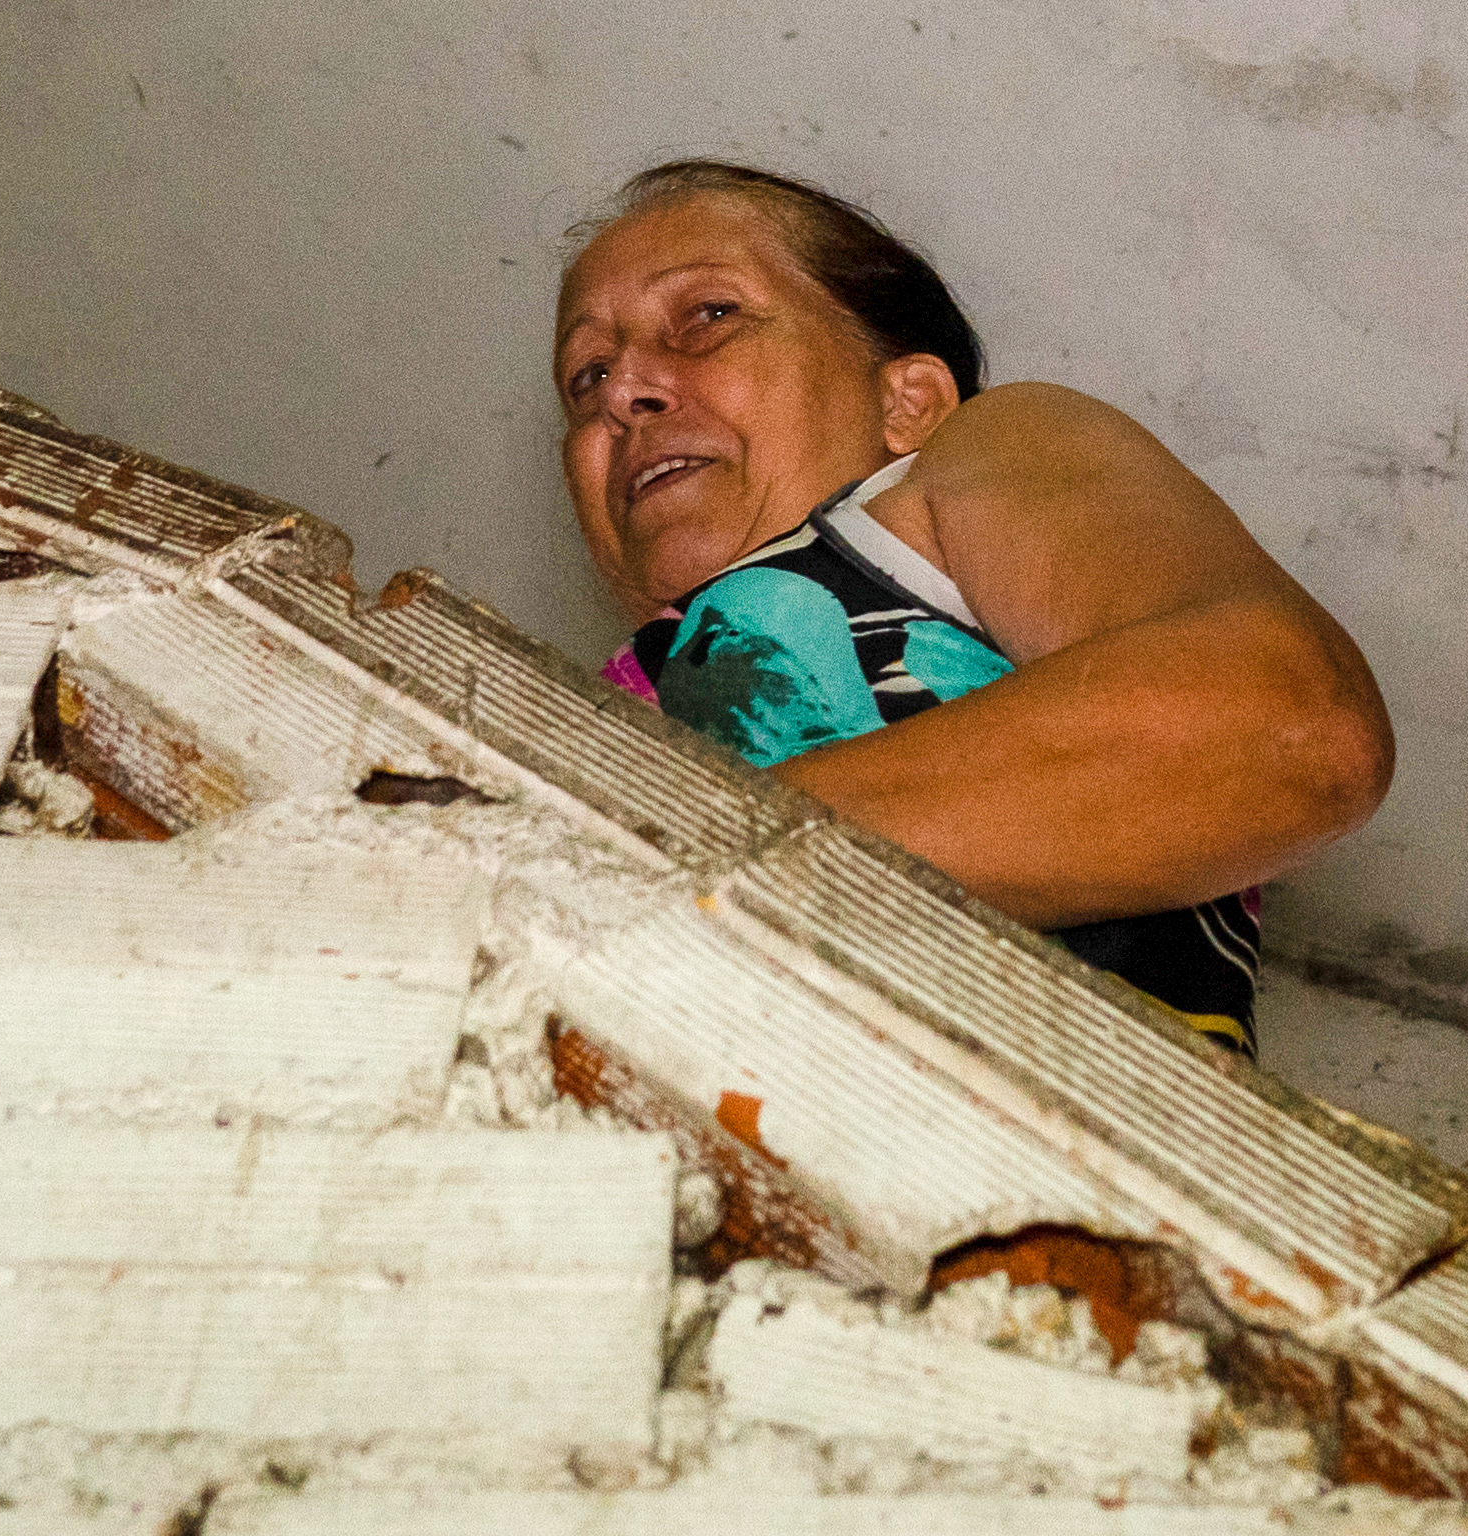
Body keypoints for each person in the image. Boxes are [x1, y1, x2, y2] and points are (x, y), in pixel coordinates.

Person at [552, 159, 1391, 1052]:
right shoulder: (600, 707)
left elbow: (1282, 725)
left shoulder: (961, 464)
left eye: (709, 317)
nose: (623, 391)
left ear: (910, 402)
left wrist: (655, 854)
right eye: (584, 376)